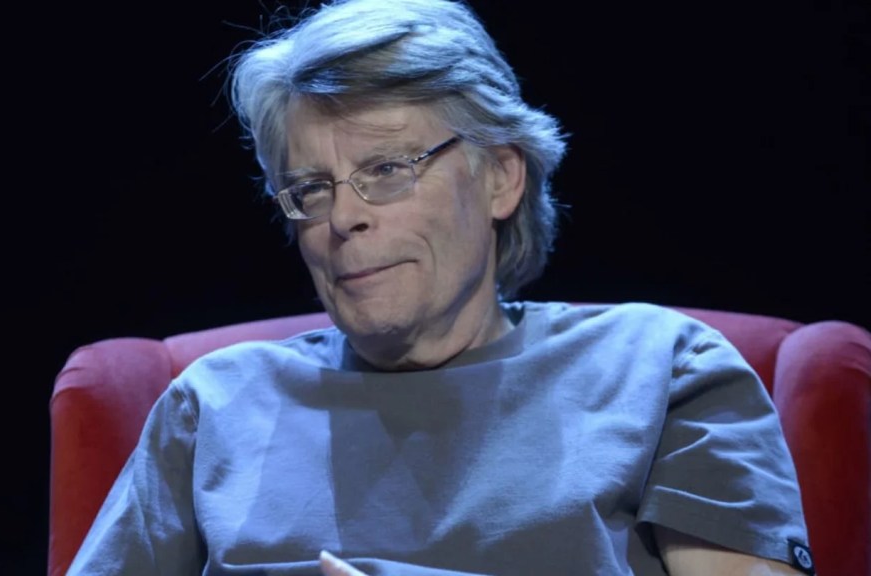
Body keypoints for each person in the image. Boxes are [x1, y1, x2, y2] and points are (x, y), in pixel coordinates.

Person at [67, 0, 814, 574]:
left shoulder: (658, 370)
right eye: (312, 188)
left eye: (387, 169)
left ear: (501, 176)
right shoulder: (215, 405)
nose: (344, 218)